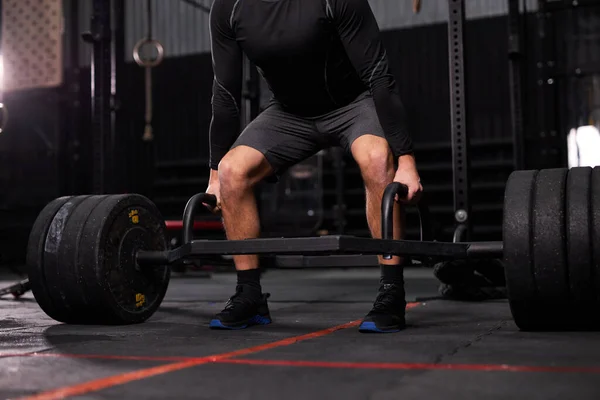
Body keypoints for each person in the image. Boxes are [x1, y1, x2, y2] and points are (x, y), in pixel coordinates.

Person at [205, 0, 423, 333]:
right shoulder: (229, 9)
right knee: (233, 171)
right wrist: (214, 174)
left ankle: (391, 291)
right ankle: (249, 294)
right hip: (289, 114)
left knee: (377, 159)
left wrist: (406, 159)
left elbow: (379, 75)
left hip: (352, 104)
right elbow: (224, 94)